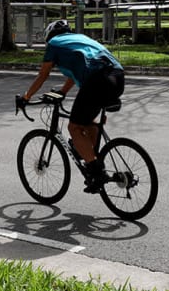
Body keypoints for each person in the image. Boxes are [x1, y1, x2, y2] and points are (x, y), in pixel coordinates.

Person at [20, 20, 124, 193]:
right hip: (117, 77)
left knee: (74, 126)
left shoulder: (54, 43)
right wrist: (63, 91)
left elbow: (43, 74)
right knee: (88, 121)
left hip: (96, 80)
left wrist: (26, 97)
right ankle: (96, 159)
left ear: (49, 36)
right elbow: (75, 72)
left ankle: (97, 171)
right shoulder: (80, 38)